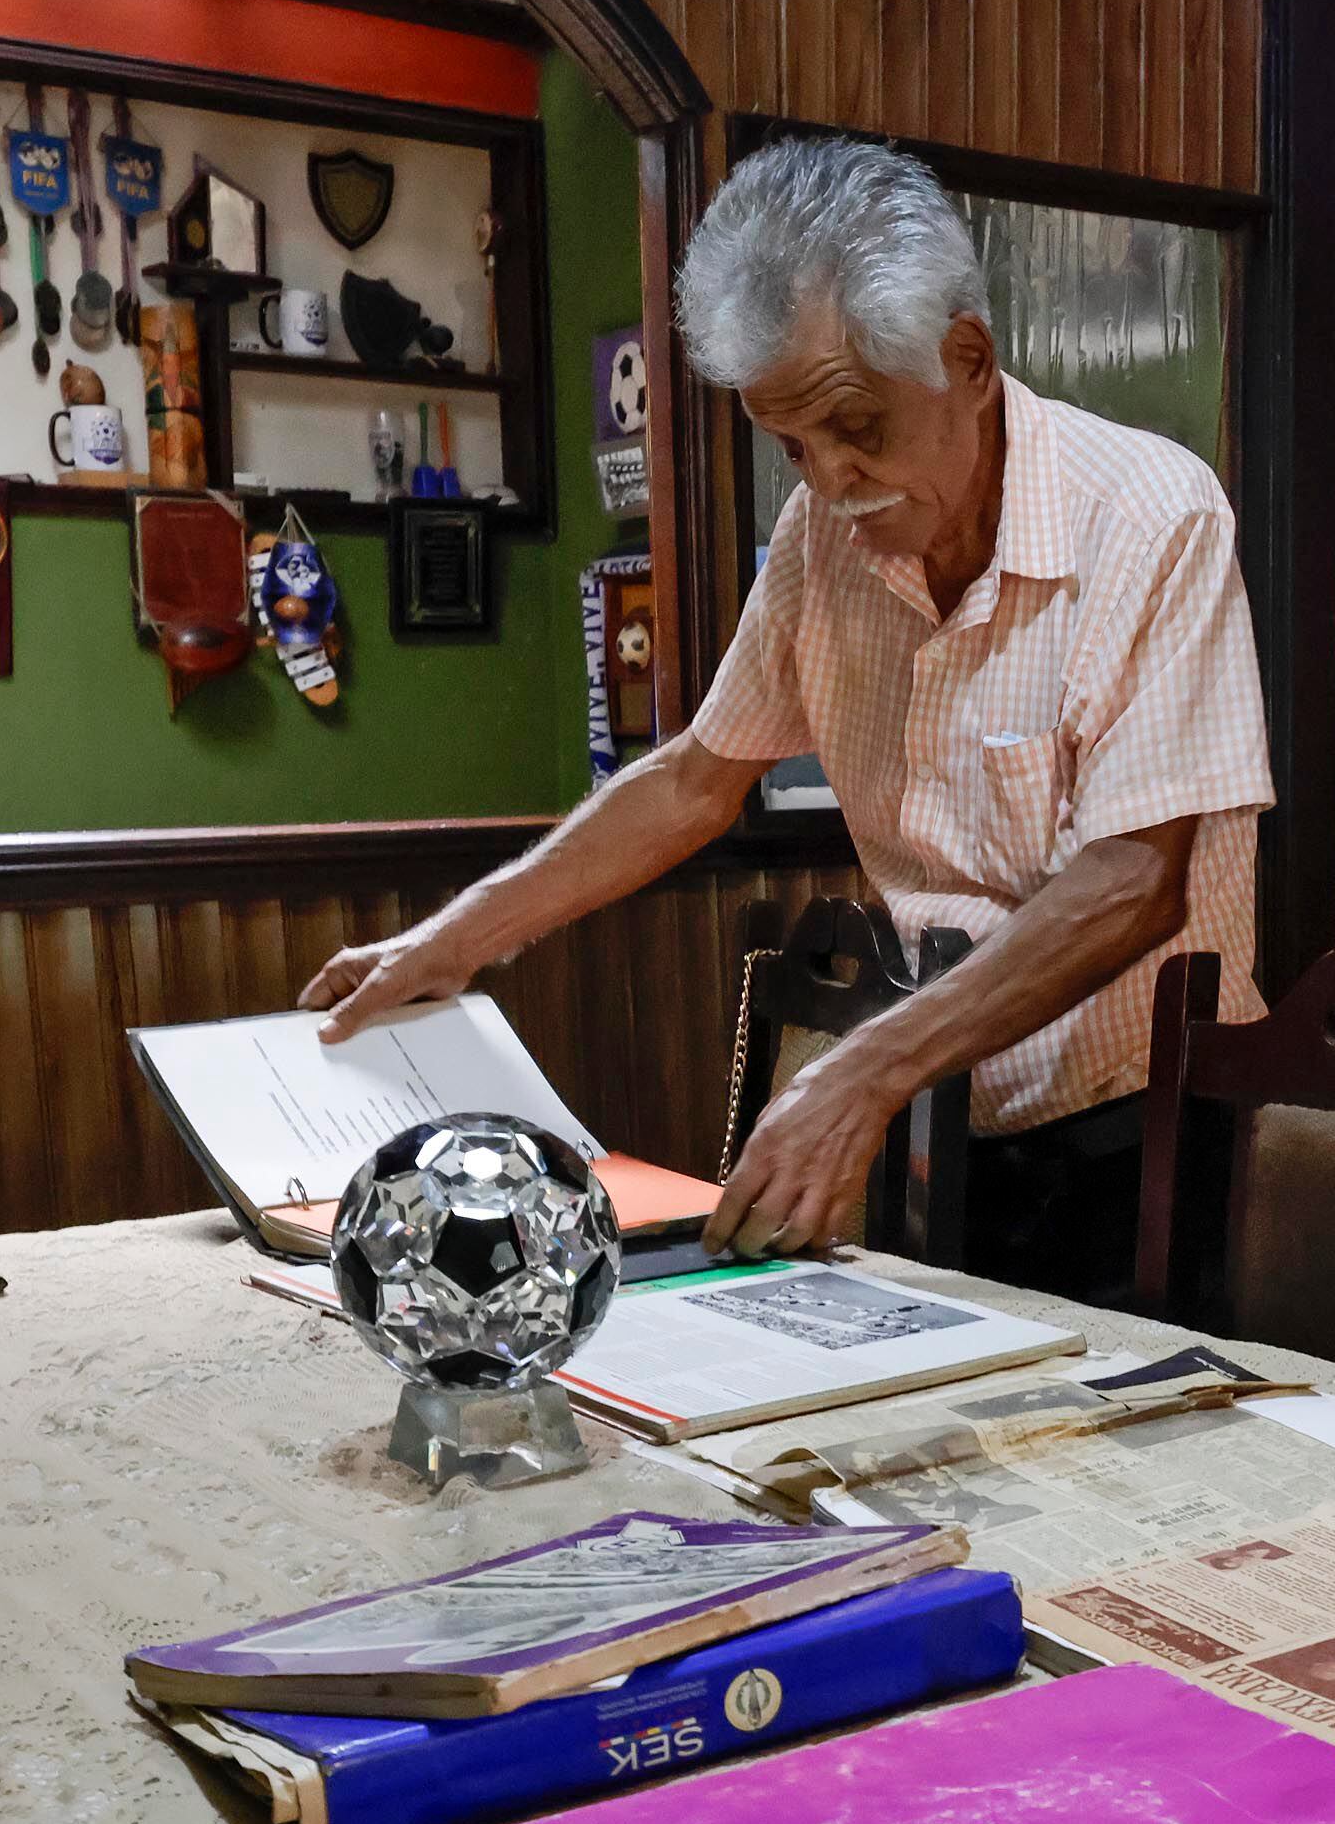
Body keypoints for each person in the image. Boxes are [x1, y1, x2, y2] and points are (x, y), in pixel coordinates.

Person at [296, 137, 1270, 1300]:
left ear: (968, 359)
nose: (832, 481)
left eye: (858, 428)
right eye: (793, 446)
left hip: (1143, 1136)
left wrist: (864, 1074)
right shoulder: (825, 542)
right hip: (945, 1110)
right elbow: (696, 780)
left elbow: (1131, 881)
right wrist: (454, 939)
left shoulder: (1154, 519)